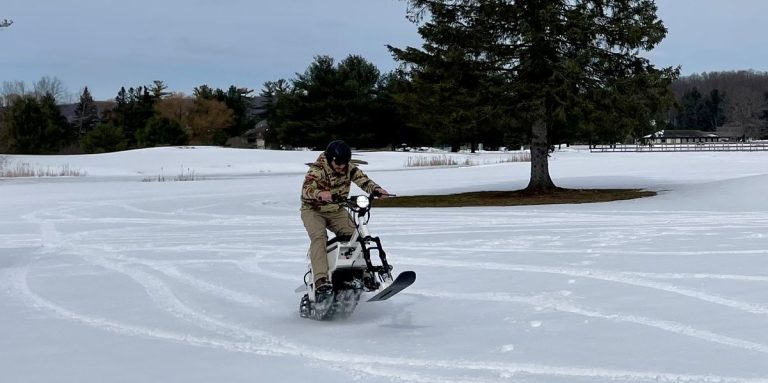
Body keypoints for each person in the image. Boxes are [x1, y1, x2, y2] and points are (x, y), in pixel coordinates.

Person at [300, 140, 389, 296]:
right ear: (330, 158)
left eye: (344, 163)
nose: (342, 167)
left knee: (356, 236)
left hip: (336, 210)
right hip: (313, 210)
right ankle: (321, 279)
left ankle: (365, 275)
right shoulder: (318, 170)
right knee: (319, 237)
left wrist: (376, 189)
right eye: (338, 163)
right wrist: (319, 194)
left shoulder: (348, 167)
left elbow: (362, 180)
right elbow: (306, 190)